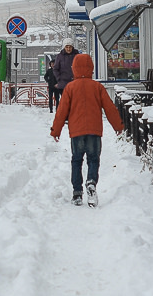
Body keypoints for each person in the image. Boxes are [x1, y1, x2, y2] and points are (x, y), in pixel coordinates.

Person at [50, 53, 124, 207]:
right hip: (94, 131)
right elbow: (110, 108)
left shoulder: (70, 87)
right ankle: (91, 182)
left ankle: (77, 194)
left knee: (76, 160)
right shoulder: (97, 87)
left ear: (74, 68)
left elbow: (62, 111)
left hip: (76, 131)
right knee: (93, 159)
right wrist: (118, 126)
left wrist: (56, 130)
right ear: (91, 68)